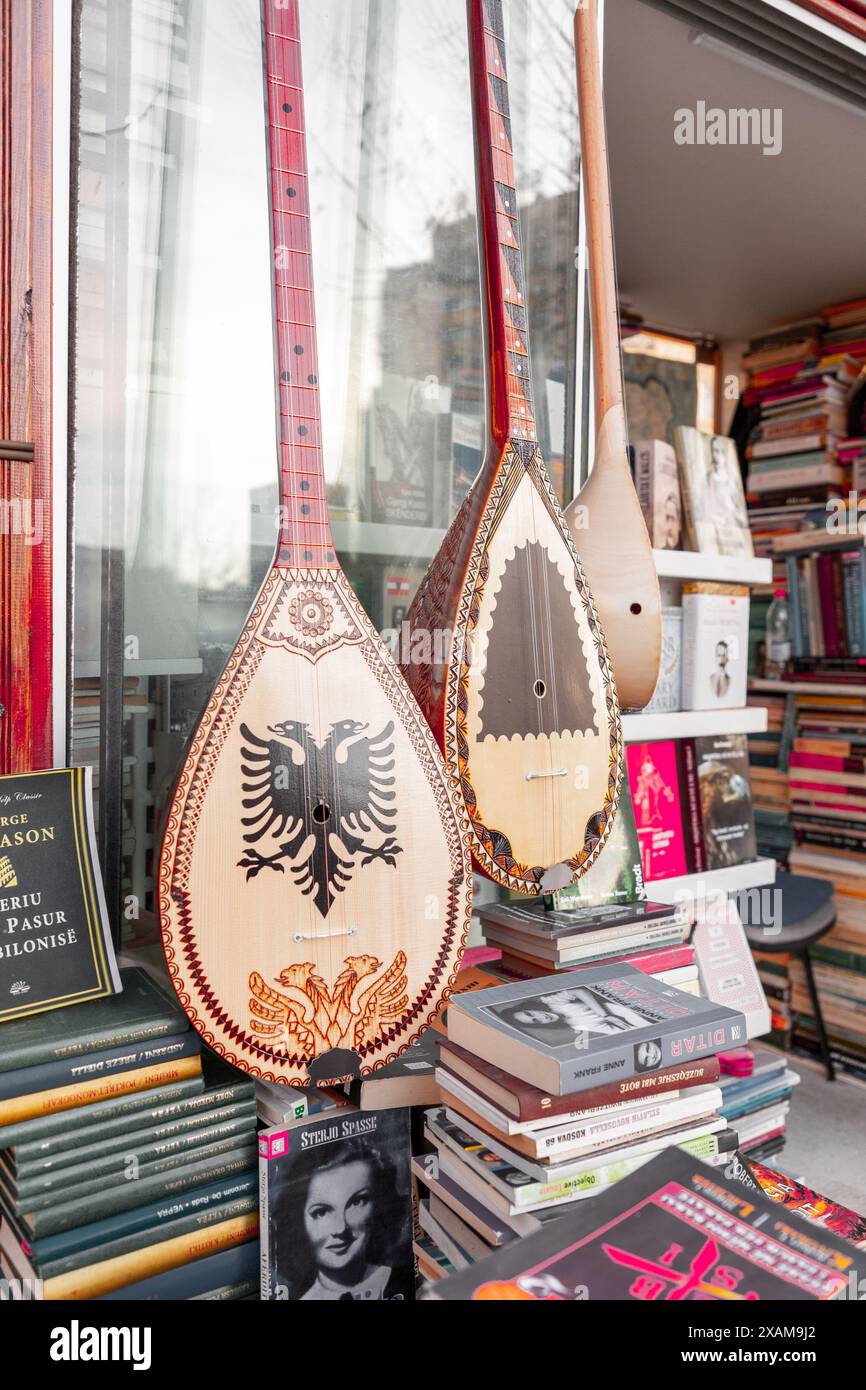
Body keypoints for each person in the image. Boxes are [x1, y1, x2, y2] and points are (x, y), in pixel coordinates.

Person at [272, 1140, 409, 1300]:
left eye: (357, 1202)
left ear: (378, 1206)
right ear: (298, 1221)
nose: (340, 1228)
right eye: (321, 1212)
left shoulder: (411, 1282)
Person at [492, 985, 649, 1047]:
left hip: (618, 1009)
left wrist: (605, 1015)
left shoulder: (552, 1003)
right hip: (621, 1023)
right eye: (535, 1021)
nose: (541, 1017)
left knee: (647, 1029)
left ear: (530, 1007)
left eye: (530, 1013)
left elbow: (579, 991)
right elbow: (609, 1030)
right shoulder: (573, 1026)